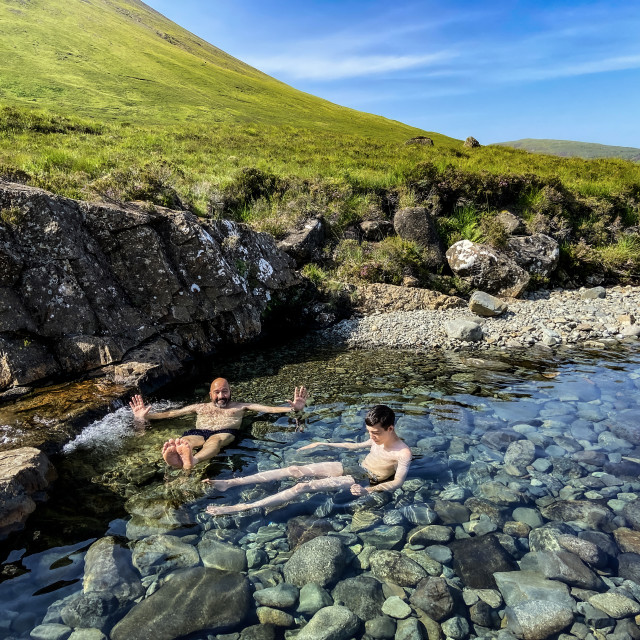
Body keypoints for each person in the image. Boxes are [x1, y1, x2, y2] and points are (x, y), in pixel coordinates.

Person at [205, 404, 411, 516]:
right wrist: (322, 444)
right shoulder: (376, 438)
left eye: (374, 432)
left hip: (364, 481)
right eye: (369, 432)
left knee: (301, 488)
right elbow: (355, 446)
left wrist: (368, 490)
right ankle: (231, 483)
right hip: (354, 467)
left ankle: (244, 507)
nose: (371, 436)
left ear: (390, 428)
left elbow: (396, 482)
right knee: (294, 469)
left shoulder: (403, 453)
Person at [129, 378, 308, 470]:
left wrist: (293, 409)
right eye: (217, 392)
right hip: (199, 431)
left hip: (226, 431)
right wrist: (145, 416)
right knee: (186, 440)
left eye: (225, 392)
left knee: (214, 441)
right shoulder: (199, 407)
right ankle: (181, 455)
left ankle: (193, 460)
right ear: (210, 394)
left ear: (230, 392)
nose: (221, 396)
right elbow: (171, 413)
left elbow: (269, 409)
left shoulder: (241, 406)